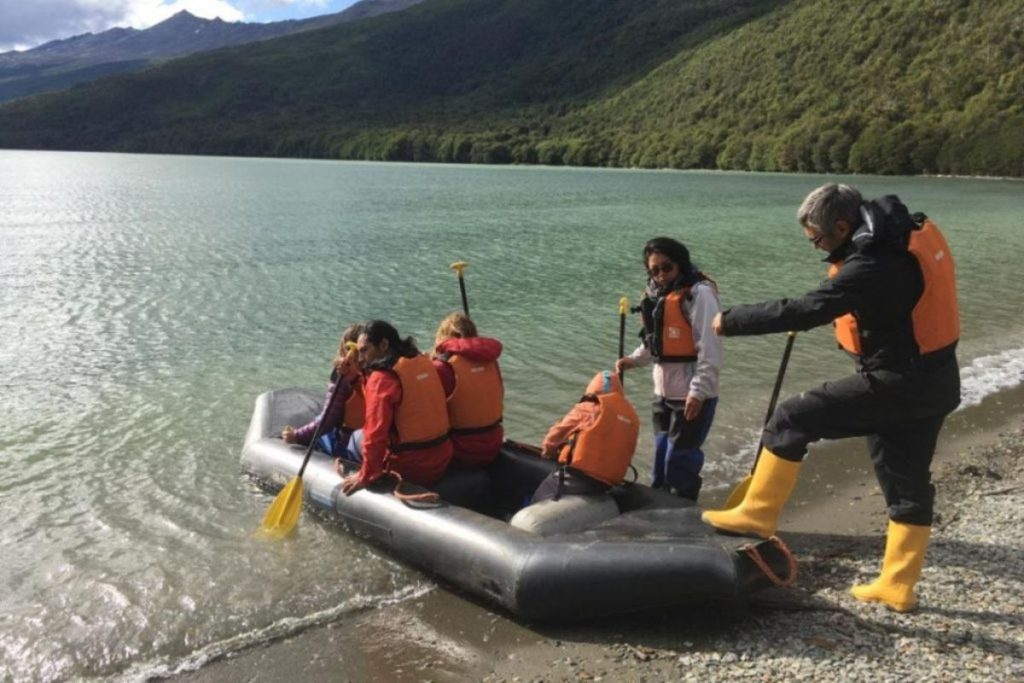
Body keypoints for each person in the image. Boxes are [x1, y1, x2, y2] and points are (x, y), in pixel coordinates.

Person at [702, 183, 961, 613]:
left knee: (791, 419)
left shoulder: (876, 264)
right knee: (905, 482)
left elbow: (807, 309)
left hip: (899, 383)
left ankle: (757, 515)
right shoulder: (900, 237)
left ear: (843, 225)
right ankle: (898, 586)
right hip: (935, 383)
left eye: (818, 240)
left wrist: (731, 321)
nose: (816, 248)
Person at [615, 237, 723, 501]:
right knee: (662, 456)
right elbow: (655, 341)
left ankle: (684, 514)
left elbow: (710, 347)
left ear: (681, 265)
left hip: (691, 394)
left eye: (667, 268)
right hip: (662, 394)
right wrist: (634, 360)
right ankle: (659, 508)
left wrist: (698, 391)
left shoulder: (698, 294)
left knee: (680, 460)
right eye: (654, 270)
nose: (661, 275)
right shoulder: (656, 295)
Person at [509, 370, 639, 535]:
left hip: (576, 478)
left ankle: (516, 530)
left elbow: (553, 437)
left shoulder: (588, 408)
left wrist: (548, 452)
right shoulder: (632, 417)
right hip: (606, 484)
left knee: (540, 496)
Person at [340, 320, 453, 495]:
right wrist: (357, 378)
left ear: (384, 344)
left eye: (365, 351)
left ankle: (361, 481)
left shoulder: (382, 378)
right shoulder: (422, 361)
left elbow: (375, 432)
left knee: (355, 437)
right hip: (442, 459)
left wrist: (366, 475)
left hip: (410, 467)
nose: (361, 359)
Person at [431, 312, 504, 468]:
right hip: (494, 442)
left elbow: (429, 416)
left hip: (461, 449)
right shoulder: (491, 361)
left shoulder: (444, 367)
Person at [282, 323, 365, 460]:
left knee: (318, 431)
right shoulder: (378, 374)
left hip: (347, 446)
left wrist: (297, 436)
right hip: (369, 444)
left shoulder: (343, 375)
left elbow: (327, 420)